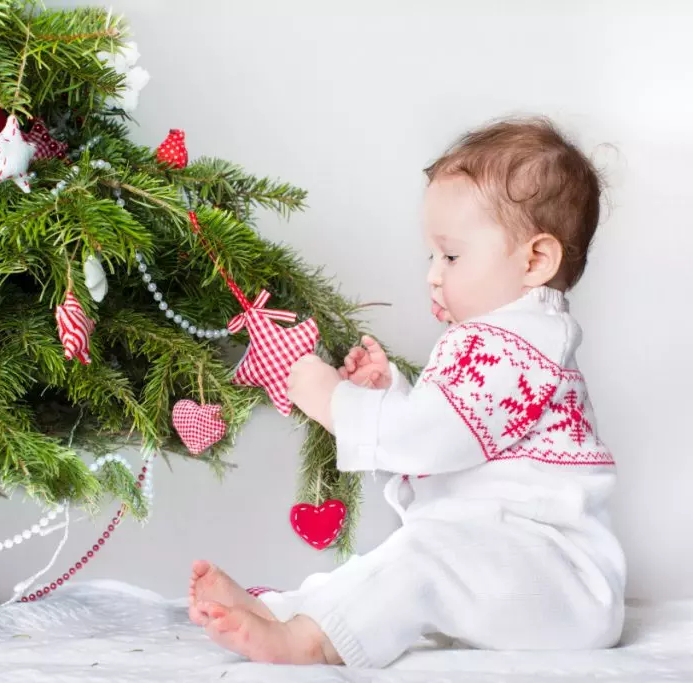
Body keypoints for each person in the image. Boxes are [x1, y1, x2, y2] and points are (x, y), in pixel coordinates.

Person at [188, 117, 626, 668]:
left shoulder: (512, 347)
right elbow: (453, 433)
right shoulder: (507, 341)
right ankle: (287, 609)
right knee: (398, 560)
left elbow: (425, 439)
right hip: (518, 566)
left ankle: (310, 639)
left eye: (452, 256)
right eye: (432, 257)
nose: (433, 276)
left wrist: (326, 394)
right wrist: (392, 392)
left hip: (558, 577)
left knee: (421, 557)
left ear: (535, 261)